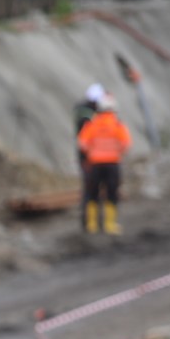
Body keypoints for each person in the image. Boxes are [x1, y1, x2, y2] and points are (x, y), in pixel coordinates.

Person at [77, 93, 132, 235]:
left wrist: (92, 153)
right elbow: (126, 143)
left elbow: (82, 143)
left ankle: (92, 225)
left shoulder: (92, 124)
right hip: (112, 164)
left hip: (95, 164)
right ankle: (110, 224)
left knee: (92, 193)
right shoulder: (117, 124)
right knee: (112, 193)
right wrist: (117, 152)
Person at [73, 82, 105, 229]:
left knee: (92, 187)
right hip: (89, 156)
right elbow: (86, 140)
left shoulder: (82, 111)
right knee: (91, 188)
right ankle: (89, 222)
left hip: (89, 155)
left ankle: (91, 221)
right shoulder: (87, 116)